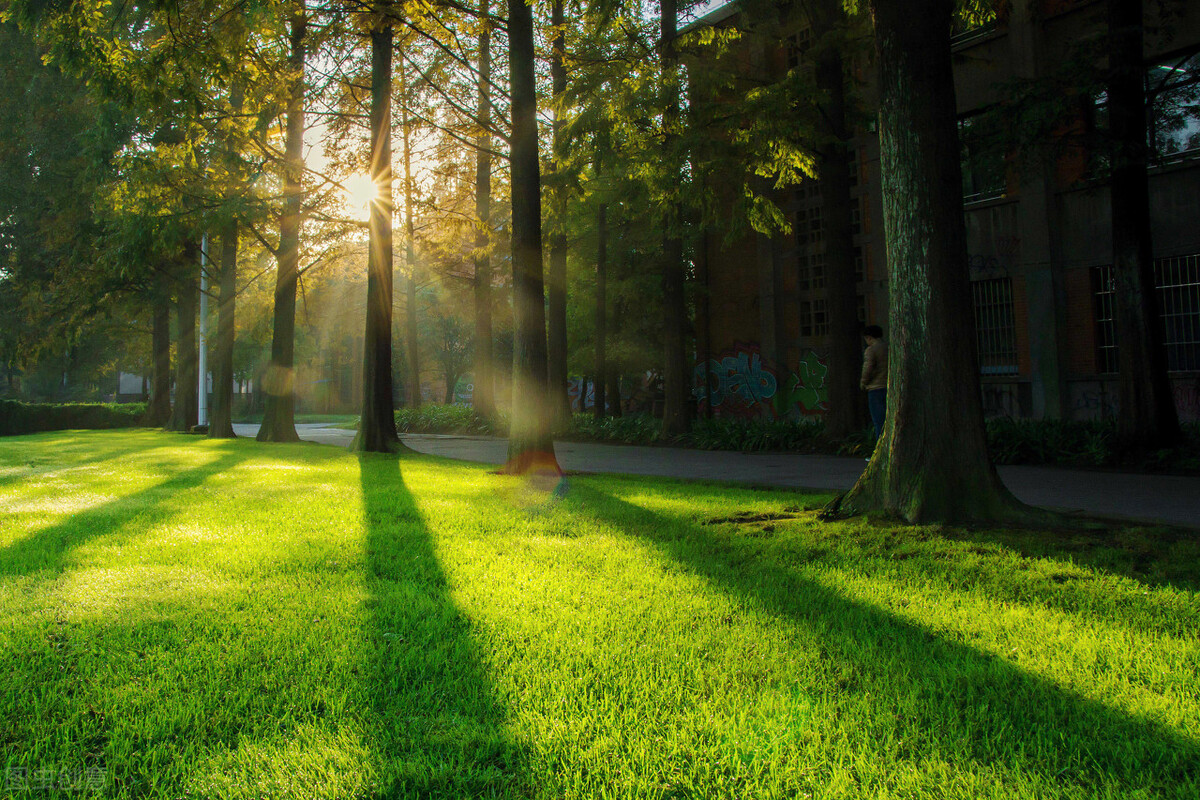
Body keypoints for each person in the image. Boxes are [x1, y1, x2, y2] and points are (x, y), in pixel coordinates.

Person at [860, 325, 888, 441]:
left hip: (875, 388)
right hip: (888, 386)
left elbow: (868, 368)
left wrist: (863, 382)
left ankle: (879, 448)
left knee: (878, 422)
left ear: (869, 337)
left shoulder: (871, 350)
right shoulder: (888, 347)